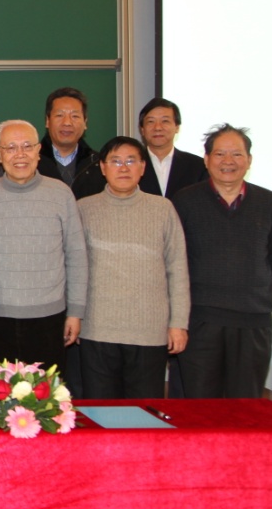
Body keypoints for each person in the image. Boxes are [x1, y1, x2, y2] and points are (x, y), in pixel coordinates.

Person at [172, 124, 272, 399]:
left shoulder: (271, 204)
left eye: (237, 154)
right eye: (220, 154)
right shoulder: (185, 201)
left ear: (249, 160)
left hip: (252, 322)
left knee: (245, 406)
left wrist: (254, 293)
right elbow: (175, 261)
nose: (228, 161)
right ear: (206, 159)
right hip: (200, 321)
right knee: (201, 406)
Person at [77, 136, 190, 399]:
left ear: (143, 167)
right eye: (115, 161)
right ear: (103, 167)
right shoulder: (84, 208)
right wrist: (74, 316)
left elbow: (178, 269)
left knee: (145, 412)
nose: (124, 168)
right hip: (97, 328)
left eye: (131, 161)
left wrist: (178, 324)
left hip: (149, 331)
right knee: (100, 411)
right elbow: (73, 268)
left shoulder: (163, 209)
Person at [0, 119, 87, 378]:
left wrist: (75, 312)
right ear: (0, 154)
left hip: (50, 318)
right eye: (11, 148)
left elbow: (76, 256)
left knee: (47, 397)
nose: (20, 154)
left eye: (27, 146)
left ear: (38, 151)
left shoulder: (61, 194)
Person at [138, 97, 207, 199]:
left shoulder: (198, 166)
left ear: (177, 127)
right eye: (151, 122)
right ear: (142, 130)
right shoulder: (131, 165)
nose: (157, 127)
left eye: (165, 121)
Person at [36, 87, 98, 190]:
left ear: (85, 123)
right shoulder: (31, 162)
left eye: (75, 116)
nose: (67, 123)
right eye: (59, 115)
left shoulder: (98, 163)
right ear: (47, 121)